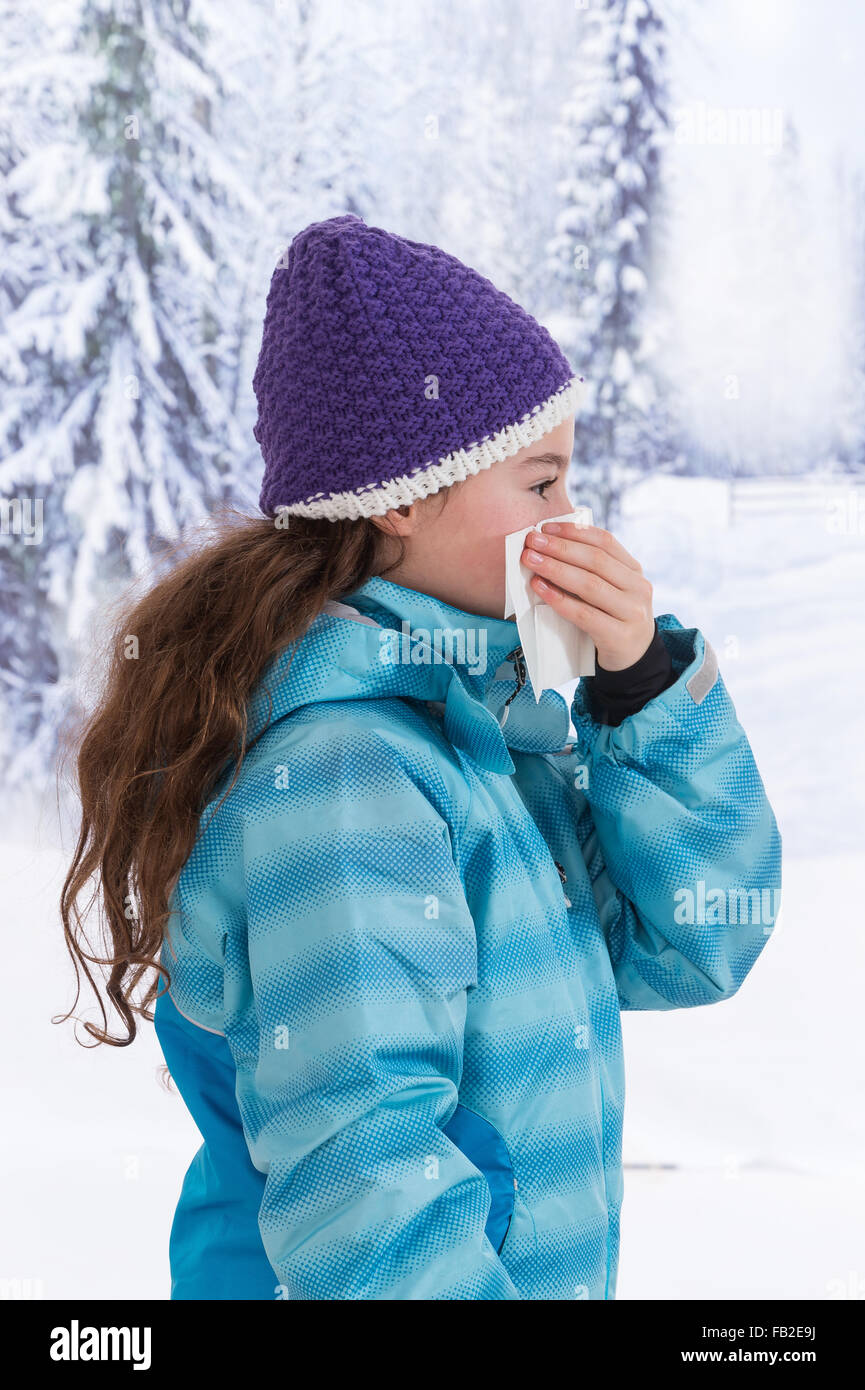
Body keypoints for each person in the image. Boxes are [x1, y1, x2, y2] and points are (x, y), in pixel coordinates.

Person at [60, 214, 782, 1300]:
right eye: (539, 485)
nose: (569, 516)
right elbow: (368, 1187)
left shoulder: (485, 741)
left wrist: (641, 692)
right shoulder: (350, 778)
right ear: (402, 496)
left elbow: (687, 945)